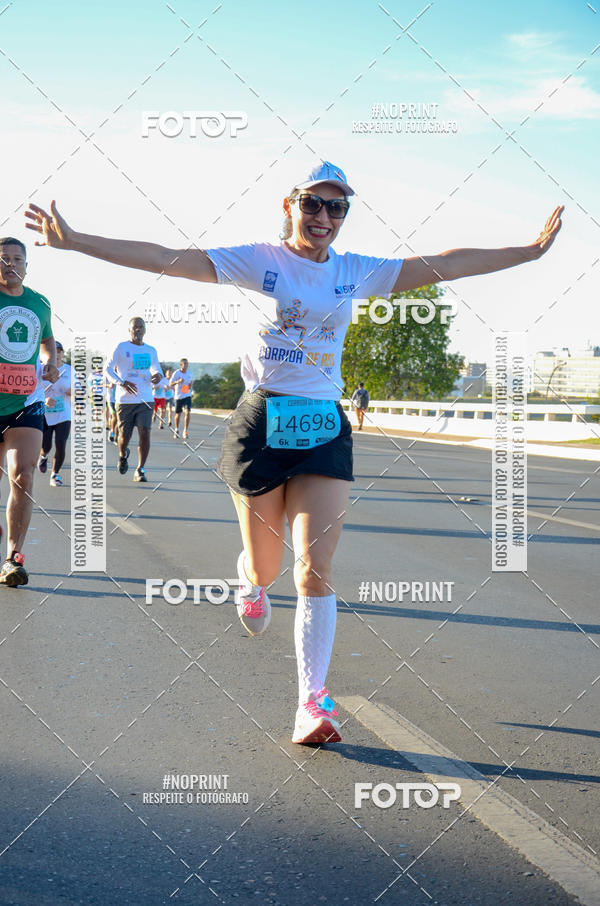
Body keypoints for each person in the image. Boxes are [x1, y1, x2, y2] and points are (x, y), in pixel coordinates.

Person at [24, 163, 563, 741]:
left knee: (315, 567)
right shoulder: (259, 260)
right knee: (267, 567)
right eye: (313, 205)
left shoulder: (356, 271)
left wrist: (528, 252)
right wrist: (75, 241)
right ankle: (250, 582)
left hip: (324, 425)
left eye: (338, 208)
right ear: (291, 205)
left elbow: (445, 263)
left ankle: (312, 703)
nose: (324, 217)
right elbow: (164, 256)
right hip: (263, 421)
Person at [0, 237, 58, 585]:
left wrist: (52, 362)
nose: (10, 264)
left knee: (23, 475)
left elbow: (48, 342)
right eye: (3, 258)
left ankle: (12, 559)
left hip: (26, 402)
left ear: (26, 265)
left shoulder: (40, 303)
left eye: (17, 259)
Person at [104, 317, 163, 482]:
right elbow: (107, 369)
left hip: (145, 399)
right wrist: (121, 382)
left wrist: (158, 375)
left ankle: (140, 469)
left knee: (145, 432)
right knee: (125, 436)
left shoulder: (151, 350)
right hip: (125, 400)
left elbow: (156, 369)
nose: (138, 330)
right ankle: (123, 454)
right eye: (135, 327)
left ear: (145, 330)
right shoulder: (121, 347)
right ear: (129, 330)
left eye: (141, 327)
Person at [39, 341, 71, 486]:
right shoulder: (40, 369)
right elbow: (34, 392)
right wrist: (45, 399)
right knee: (46, 446)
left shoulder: (70, 370)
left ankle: (55, 474)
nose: (56, 354)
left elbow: (79, 390)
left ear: (62, 353)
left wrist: (74, 392)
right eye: (54, 351)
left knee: (61, 443)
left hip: (64, 414)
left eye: (59, 351)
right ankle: (43, 455)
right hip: (45, 414)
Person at [170, 358, 192, 439]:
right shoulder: (176, 373)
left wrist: (190, 385)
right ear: (181, 364)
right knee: (178, 414)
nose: (186, 365)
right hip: (179, 396)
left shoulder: (189, 373)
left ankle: (185, 431)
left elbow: (190, 382)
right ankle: (176, 429)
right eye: (185, 364)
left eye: (187, 364)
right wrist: (178, 382)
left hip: (187, 395)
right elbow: (170, 384)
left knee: (187, 412)